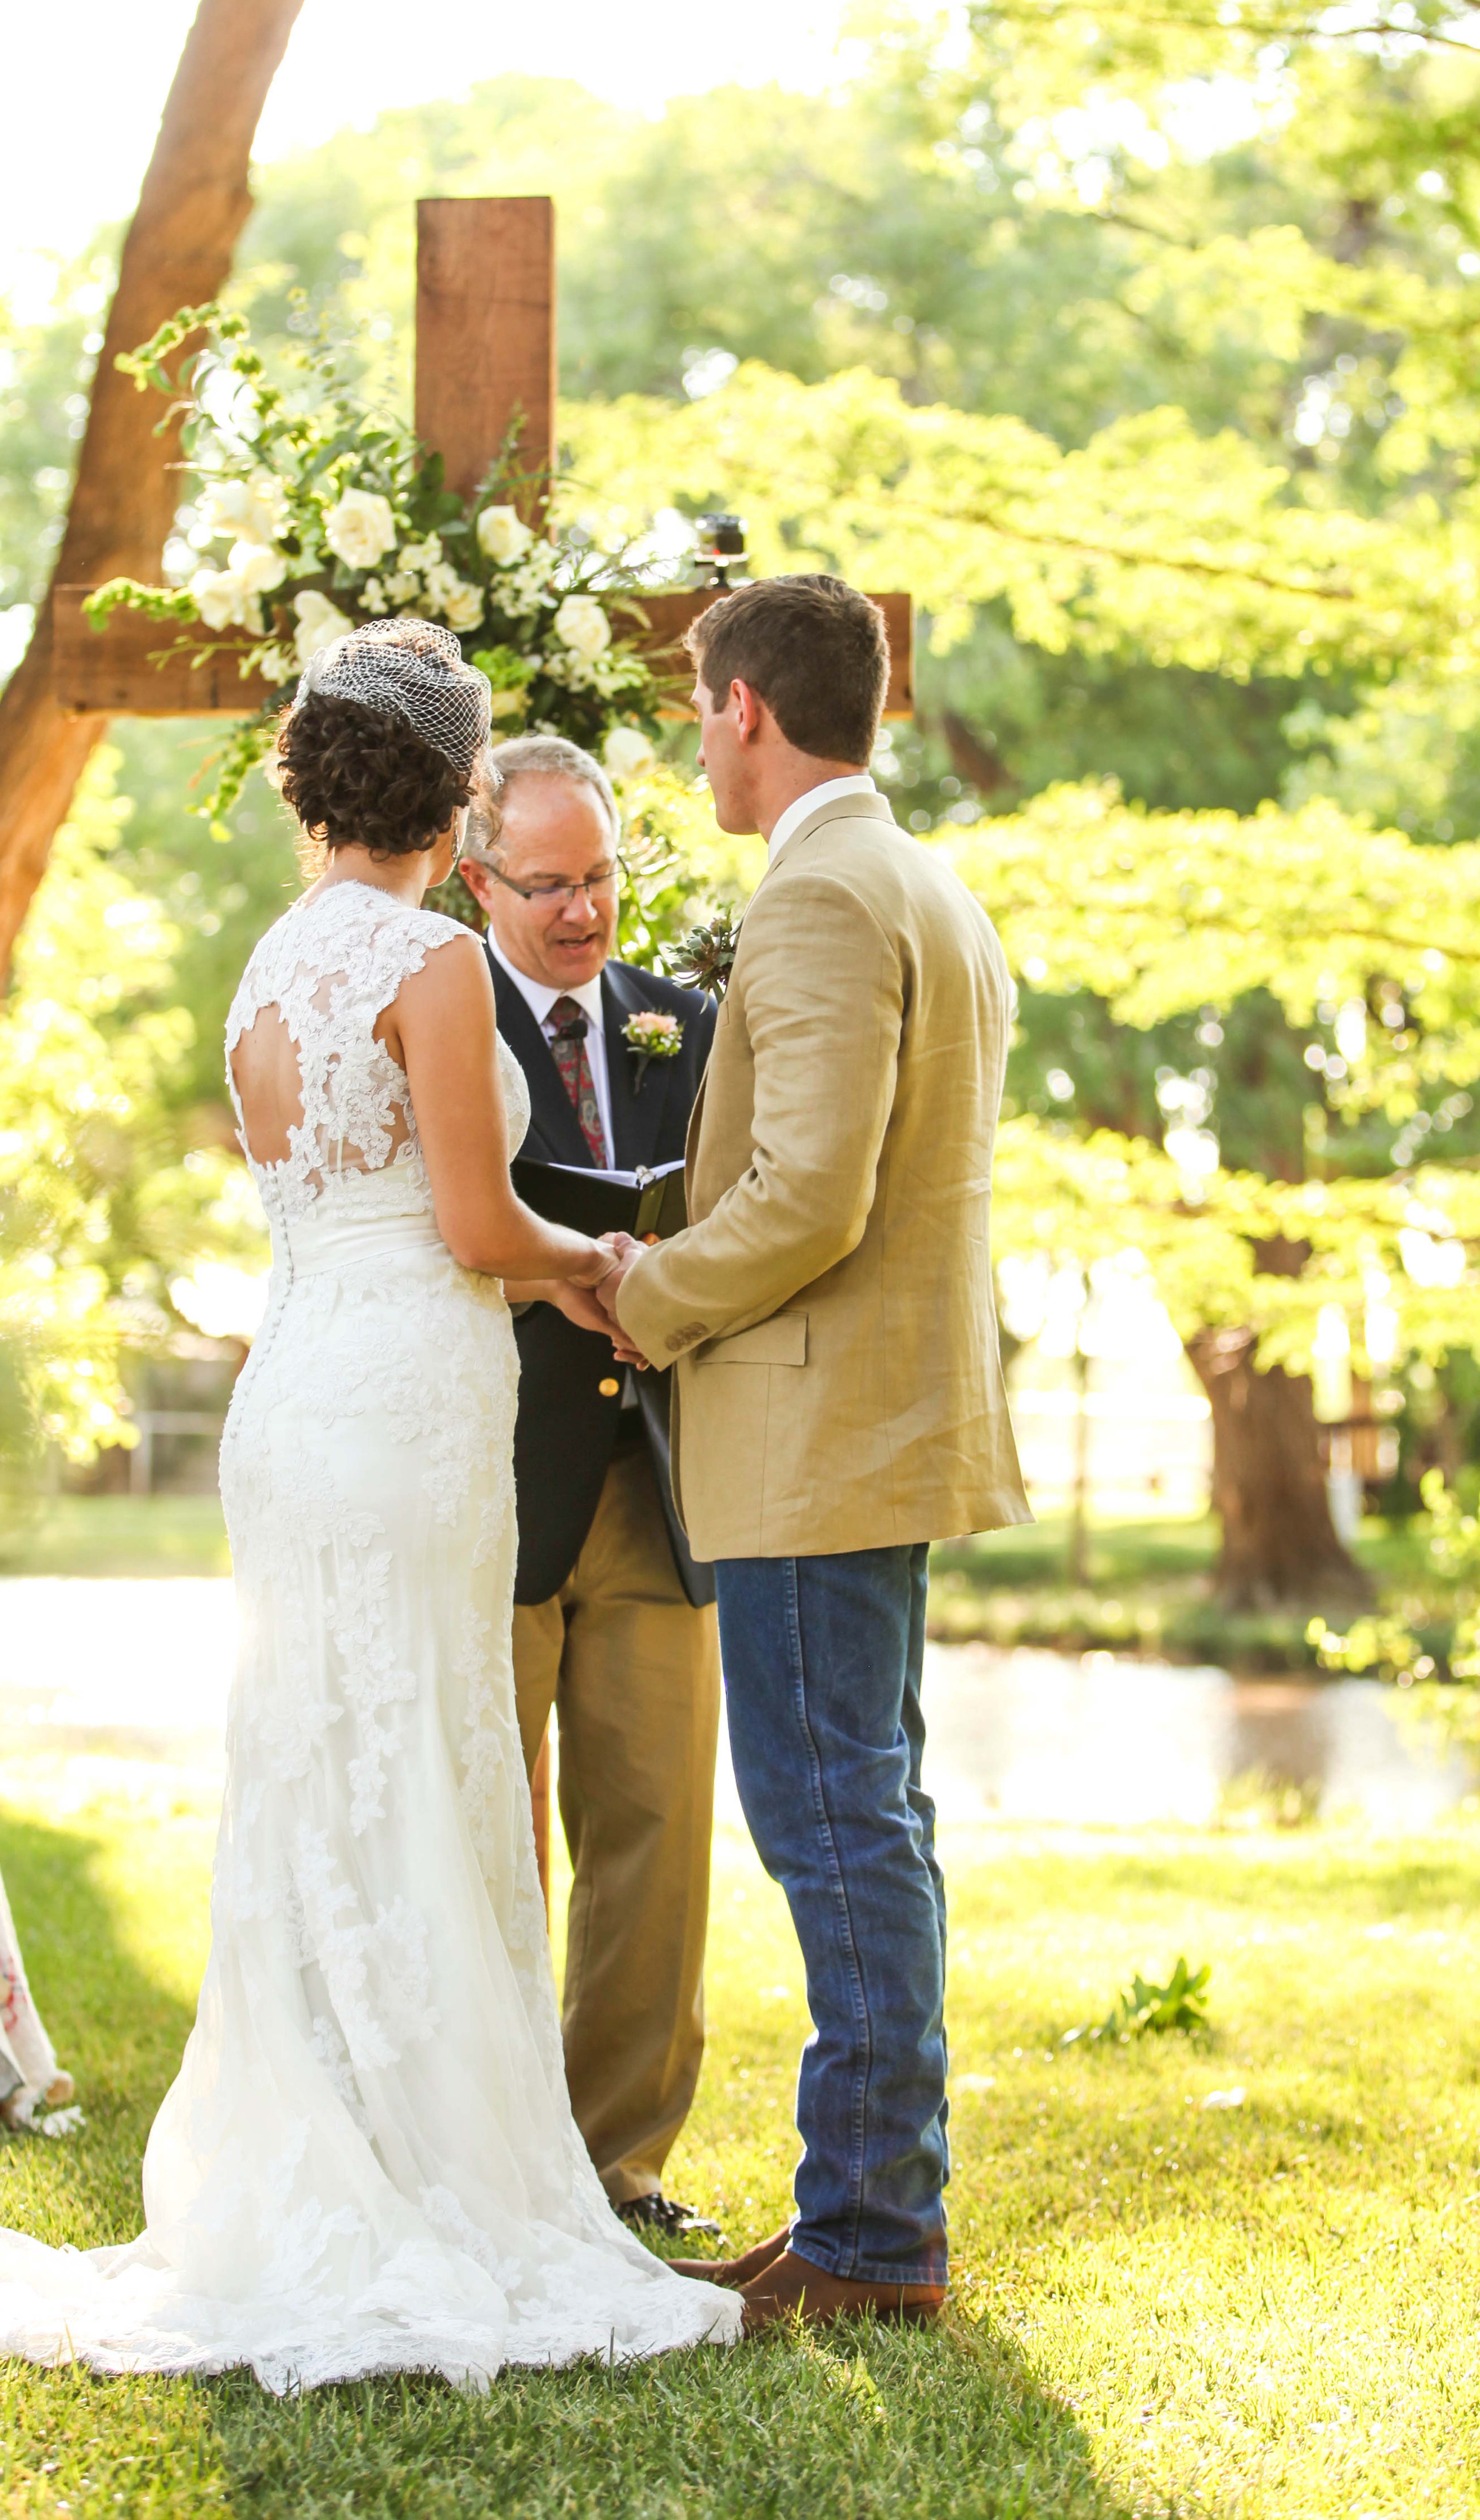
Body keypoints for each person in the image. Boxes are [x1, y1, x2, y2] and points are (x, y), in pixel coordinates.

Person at [0, 621, 741, 2390]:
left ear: (314, 782)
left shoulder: (265, 969)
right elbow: (472, 1230)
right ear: (456, 795)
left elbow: (331, 1205)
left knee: (318, 1768)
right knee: (435, 1759)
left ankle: (322, 2156)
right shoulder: (432, 964)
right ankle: (439, 2182)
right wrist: (605, 1260)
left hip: (299, 1396)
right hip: (410, 1396)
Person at [598, 574, 1029, 2334]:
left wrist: (648, 1294)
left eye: (703, 709)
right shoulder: (919, 880)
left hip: (812, 1434)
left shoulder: (824, 896)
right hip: (869, 1426)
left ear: (754, 709)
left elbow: (809, 1193)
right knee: (869, 1817)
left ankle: (870, 2241)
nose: (700, 740)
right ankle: (858, 2213)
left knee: (839, 1830)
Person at [458, 736, 719, 2239]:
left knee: (656, 1830)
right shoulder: (434, 1009)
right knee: (487, 1826)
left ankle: (617, 2165)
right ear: (479, 877)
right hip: (490, 1480)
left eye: (601, 875)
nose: (581, 911)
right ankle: (492, 2160)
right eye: (548, 883)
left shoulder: (684, 1022)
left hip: (662, 1484)